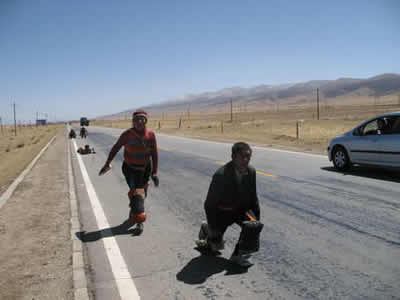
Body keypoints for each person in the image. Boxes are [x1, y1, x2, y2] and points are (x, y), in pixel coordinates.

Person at [196, 142, 263, 267]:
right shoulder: (220, 175)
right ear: (233, 157)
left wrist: (257, 218)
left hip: (241, 211)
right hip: (223, 212)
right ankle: (207, 229)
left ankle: (238, 255)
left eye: (248, 156)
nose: (245, 160)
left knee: (253, 226)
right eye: (242, 156)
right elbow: (209, 205)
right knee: (214, 247)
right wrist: (214, 227)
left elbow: (253, 197)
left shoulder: (251, 172)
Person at [99, 110, 159, 234]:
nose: (139, 121)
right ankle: (139, 221)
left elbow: (154, 154)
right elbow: (116, 148)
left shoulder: (151, 135)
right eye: (136, 119)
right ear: (133, 121)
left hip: (145, 169)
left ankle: (134, 210)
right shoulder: (127, 134)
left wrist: (154, 172)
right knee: (137, 192)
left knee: (141, 193)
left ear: (146, 121)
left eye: (142, 119)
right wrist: (107, 163)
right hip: (130, 169)